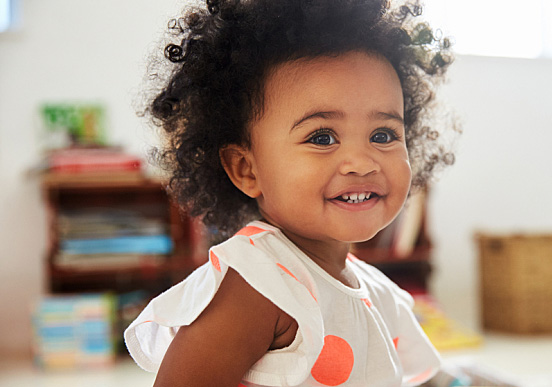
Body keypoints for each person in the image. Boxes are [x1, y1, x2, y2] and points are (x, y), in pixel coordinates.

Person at [124, 0, 455, 385]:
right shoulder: (257, 284)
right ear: (247, 169)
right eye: (322, 137)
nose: (362, 162)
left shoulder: (380, 293)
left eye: (383, 135)